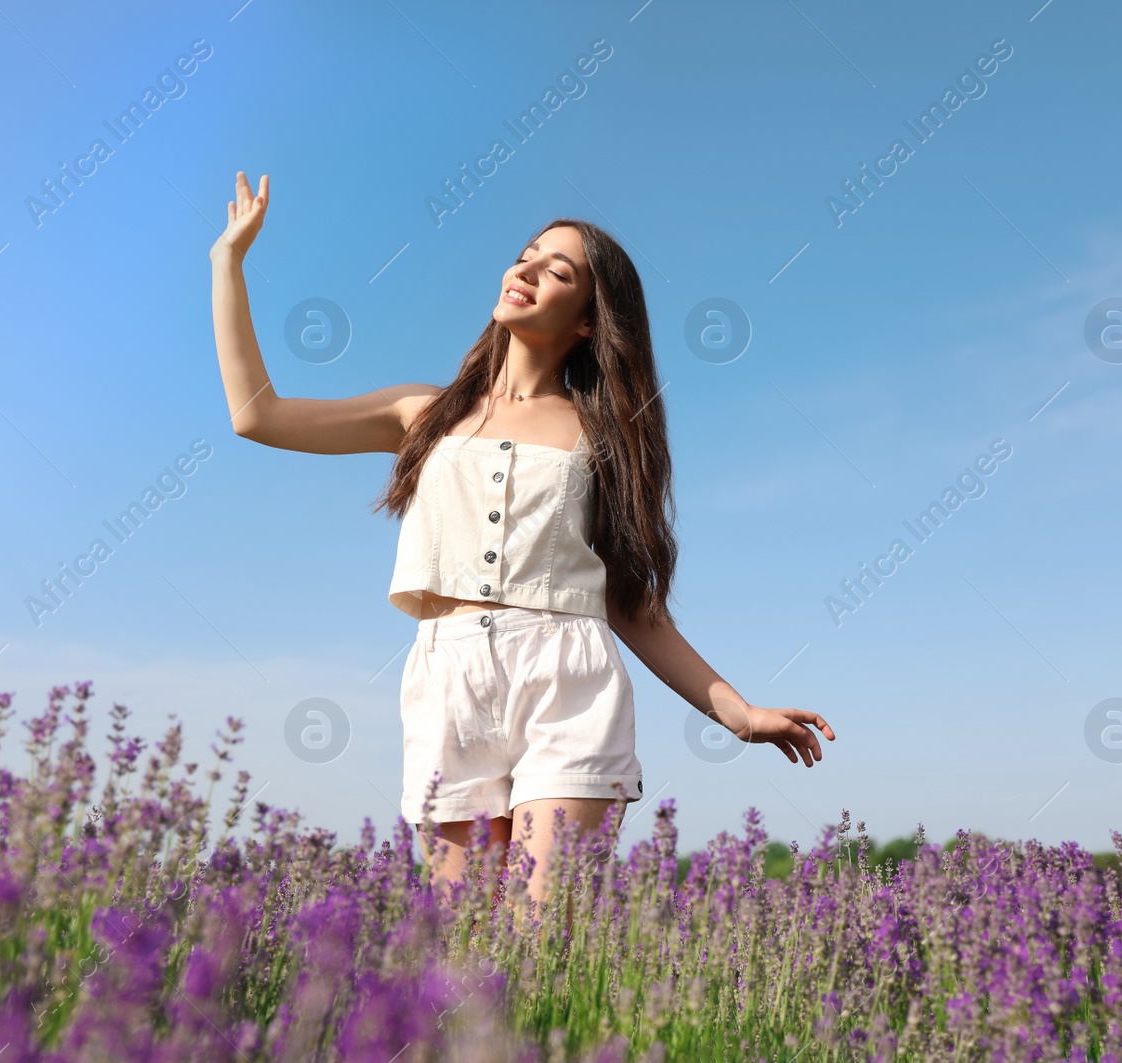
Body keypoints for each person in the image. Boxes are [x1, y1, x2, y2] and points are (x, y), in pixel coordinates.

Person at [210, 171, 834, 906]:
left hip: (569, 676)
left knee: (540, 940)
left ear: (589, 321)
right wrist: (229, 261)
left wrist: (738, 711)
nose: (528, 270)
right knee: (463, 938)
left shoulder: (602, 437)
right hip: (448, 677)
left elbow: (630, 602)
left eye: (558, 269)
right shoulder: (423, 413)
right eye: (527, 255)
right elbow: (257, 415)